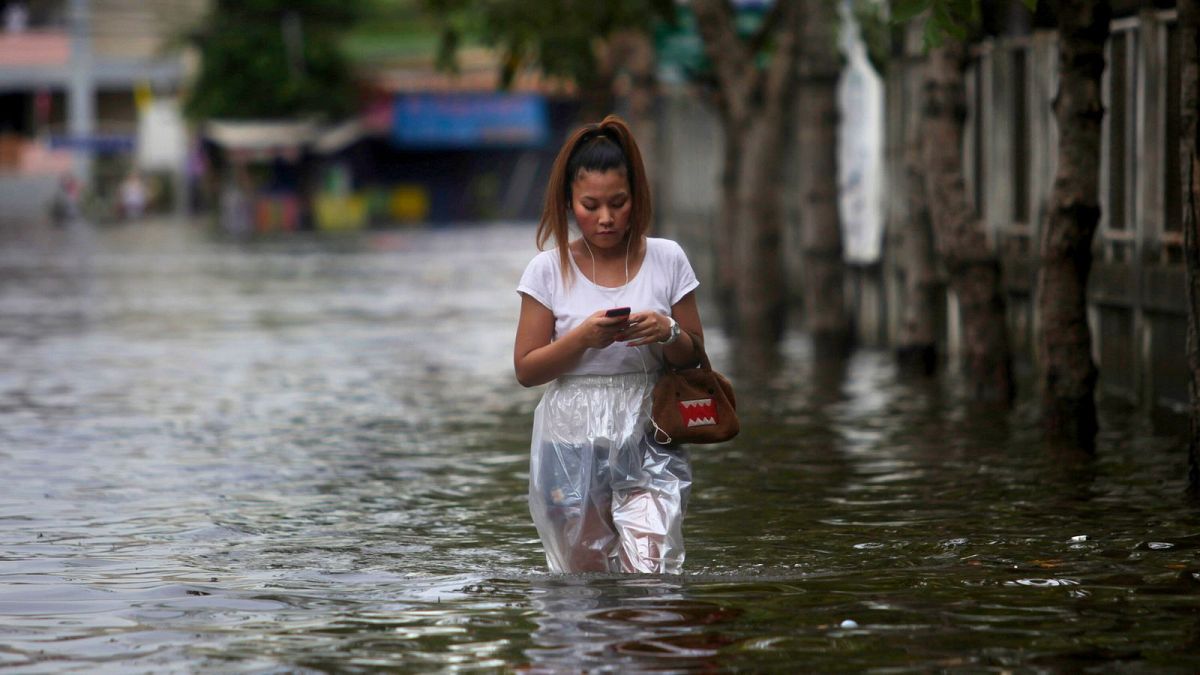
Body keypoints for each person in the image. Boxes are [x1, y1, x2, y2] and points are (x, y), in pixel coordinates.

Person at [514, 115, 705, 574]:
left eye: (618, 203)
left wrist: (668, 331)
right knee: (585, 583)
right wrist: (583, 338)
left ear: (635, 198)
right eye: (590, 205)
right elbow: (526, 369)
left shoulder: (667, 258)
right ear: (568, 203)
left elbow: (697, 356)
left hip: (649, 427)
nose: (605, 218)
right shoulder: (547, 269)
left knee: (650, 573)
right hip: (570, 436)